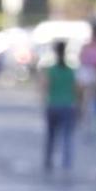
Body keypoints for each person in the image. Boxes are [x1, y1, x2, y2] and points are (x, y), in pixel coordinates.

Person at [41, 41, 80, 177]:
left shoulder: (51, 70)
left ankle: (48, 159)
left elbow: (45, 87)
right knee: (67, 136)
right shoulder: (70, 70)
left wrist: (45, 101)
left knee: (51, 135)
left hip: (53, 104)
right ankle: (66, 163)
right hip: (68, 105)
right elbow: (76, 89)